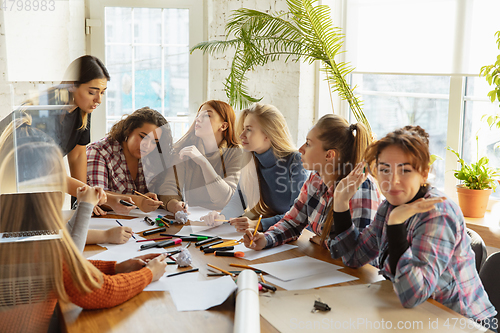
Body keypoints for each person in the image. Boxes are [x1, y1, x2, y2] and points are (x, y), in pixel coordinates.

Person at [328, 126, 497, 330]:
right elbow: (354, 257)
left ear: (424, 173)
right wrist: (340, 203)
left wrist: (396, 225)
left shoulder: (438, 212)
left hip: (464, 323)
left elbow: (413, 295)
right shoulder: (389, 206)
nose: (392, 180)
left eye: (405, 170)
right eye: (384, 169)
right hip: (418, 315)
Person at [0, 134, 167, 333]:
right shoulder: (40, 243)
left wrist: (115, 267)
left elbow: (64, 264)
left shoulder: (17, 229)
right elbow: (99, 291)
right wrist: (149, 274)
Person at [0, 55, 133, 216]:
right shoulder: (45, 111)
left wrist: (82, 202)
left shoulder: (83, 109)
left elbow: (77, 156)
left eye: (103, 93)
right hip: (9, 181)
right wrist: (91, 197)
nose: (98, 99)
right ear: (72, 86)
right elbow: (53, 174)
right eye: (92, 92)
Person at [244, 114, 381, 250]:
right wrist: (266, 239)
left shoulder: (362, 187)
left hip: (353, 271)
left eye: (308, 144)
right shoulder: (316, 179)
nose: (300, 149)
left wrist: (325, 242)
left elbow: (358, 250)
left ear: (329, 155)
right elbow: (292, 222)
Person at [201, 103, 308, 232]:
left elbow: (297, 215)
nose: (241, 136)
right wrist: (221, 217)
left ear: (268, 134)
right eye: (243, 129)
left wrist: (258, 224)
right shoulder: (250, 159)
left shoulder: (296, 161)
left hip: (299, 234)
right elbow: (239, 199)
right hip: (273, 231)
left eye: (249, 129)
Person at [86, 107, 172, 244]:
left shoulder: (152, 157)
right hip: (101, 229)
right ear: (128, 130)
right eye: (143, 137)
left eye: (154, 142)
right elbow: (96, 196)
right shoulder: (99, 151)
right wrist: (138, 201)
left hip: (138, 229)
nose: (147, 145)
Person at [157, 100, 243, 212]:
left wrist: (203, 162)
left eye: (207, 115)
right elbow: (169, 187)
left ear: (223, 126)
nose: (198, 119)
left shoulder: (236, 152)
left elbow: (226, 200)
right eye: (198, 115)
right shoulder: (184, 149)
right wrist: (175, 205)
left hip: (224, 220)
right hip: (193, 219)